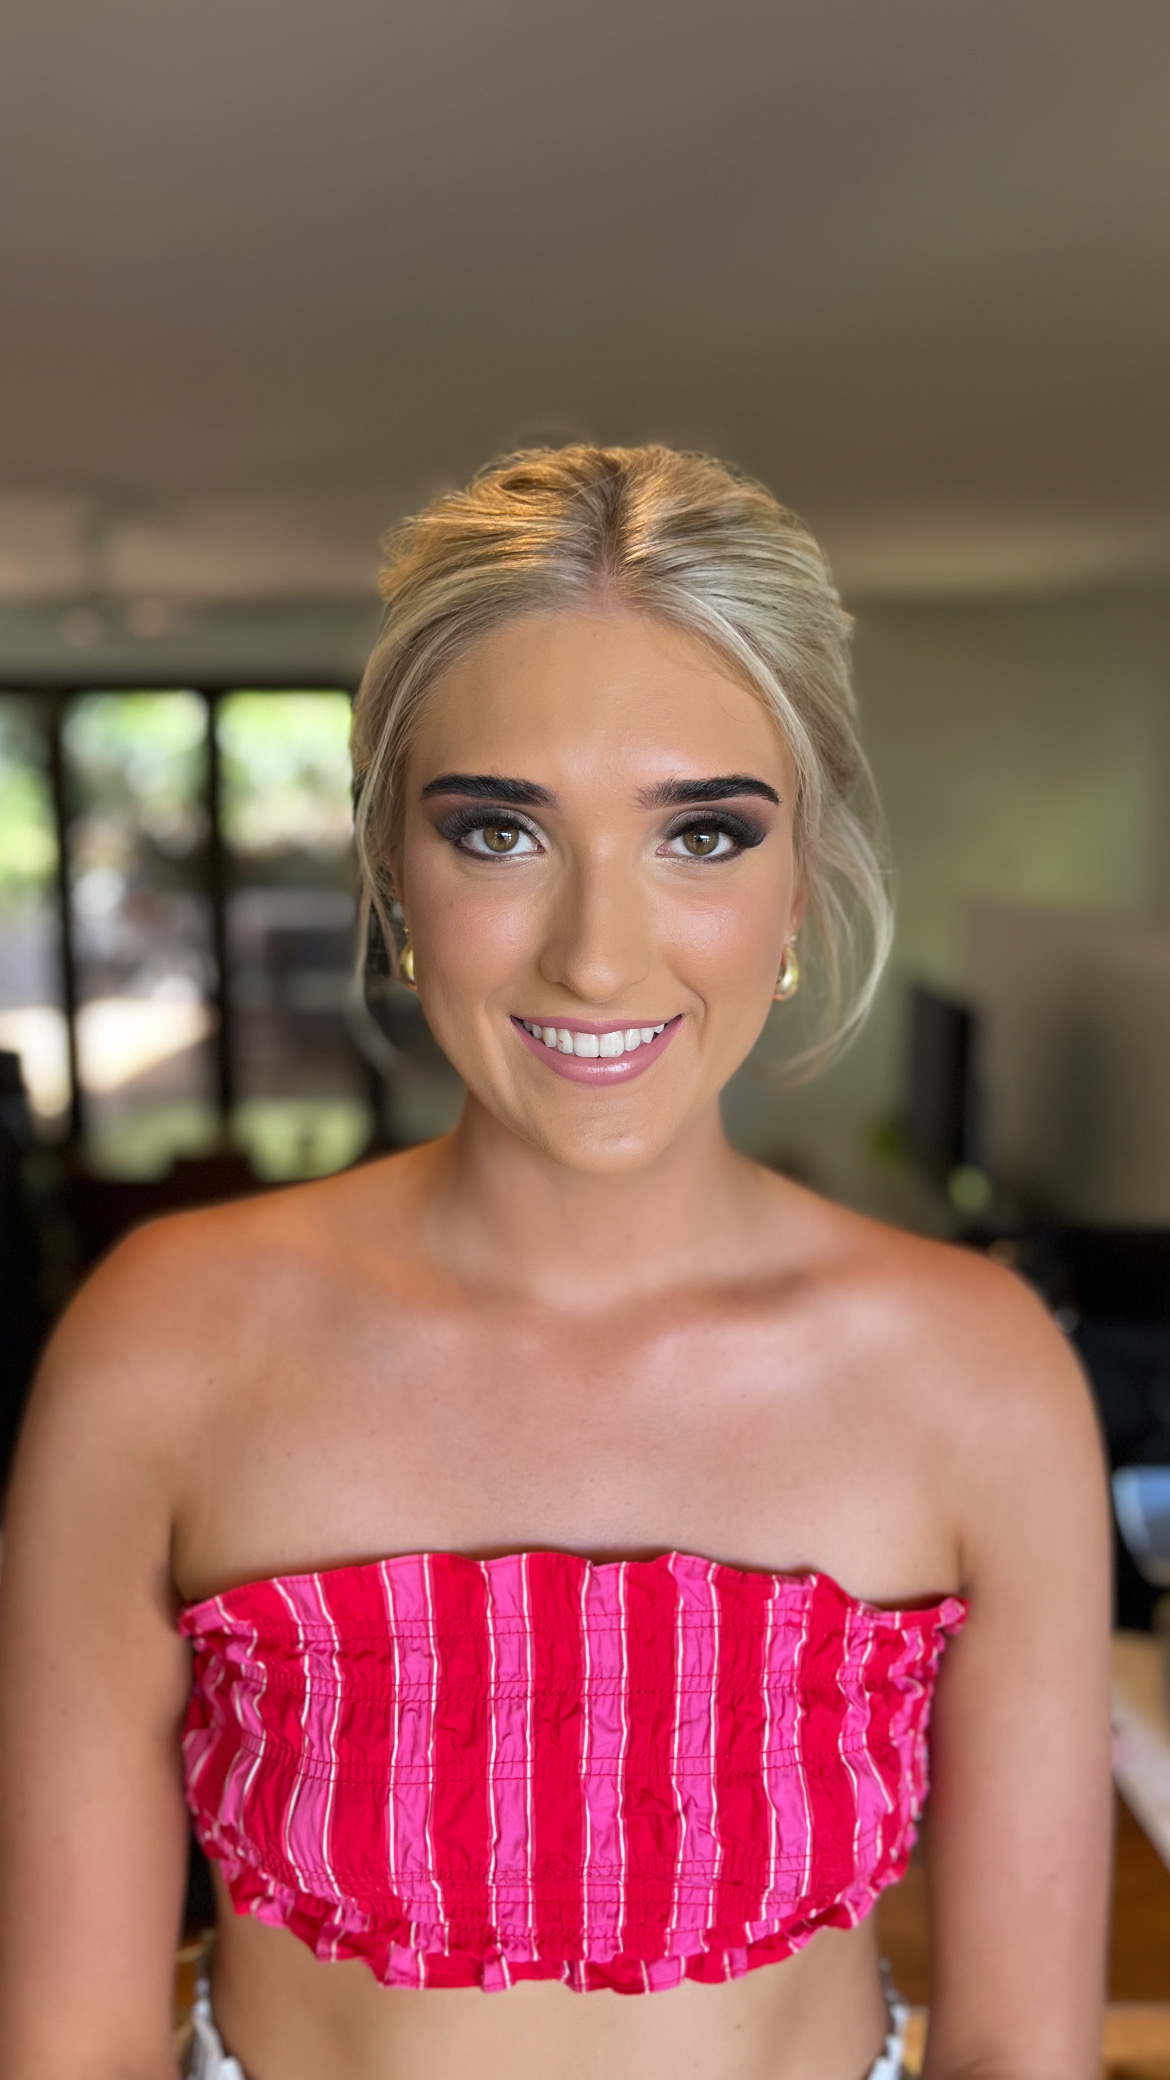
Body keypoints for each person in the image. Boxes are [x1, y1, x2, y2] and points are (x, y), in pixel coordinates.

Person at [0, 445, 1111, 2080]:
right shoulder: (165, 1340)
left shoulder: (976, 1370)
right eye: (500, 833)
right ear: (391, 869)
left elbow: (1019, 2051)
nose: (598, 954)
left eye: (703, 836)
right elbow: (70, 2045)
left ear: (800, 877)